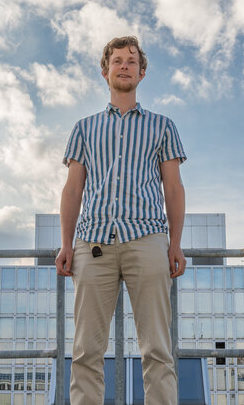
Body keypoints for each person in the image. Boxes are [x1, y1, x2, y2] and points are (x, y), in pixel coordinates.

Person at [55, 35, 187, 404]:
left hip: (147, 239)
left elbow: (173, 189)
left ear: (142, 73)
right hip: (92, 242)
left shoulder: (163, 126)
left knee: (158, 348)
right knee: (85, 351)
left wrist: (175, 244)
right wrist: (66, 245)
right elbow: (72, 190)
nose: (124, 65)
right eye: (117, 60)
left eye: (131, 61)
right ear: (105, 70)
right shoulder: (84, 127)